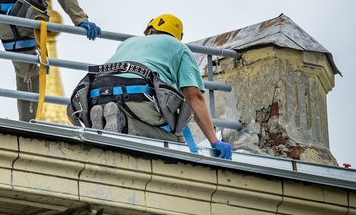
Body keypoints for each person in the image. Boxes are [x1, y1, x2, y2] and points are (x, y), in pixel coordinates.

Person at [67, 14, 233, 159]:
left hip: (94, 93)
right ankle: (124, 125)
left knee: (121, 108)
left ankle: (103, 122)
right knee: (176, 140)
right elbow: (193, 97)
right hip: (136, 92)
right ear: (177, 37)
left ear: (148, 30)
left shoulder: (128, 43)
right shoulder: (179, 48)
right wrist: (214, 141)